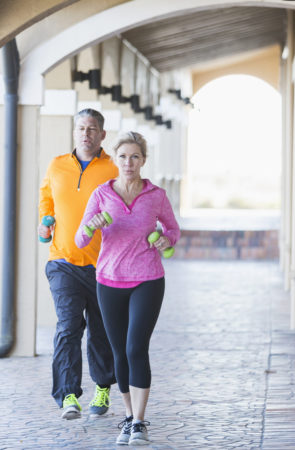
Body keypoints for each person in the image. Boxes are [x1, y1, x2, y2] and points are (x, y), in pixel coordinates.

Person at [75, 131, 180, 445]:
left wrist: (166, 239)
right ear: (115, 159)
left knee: (136, 348)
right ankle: (127, 415)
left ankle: (139, 421)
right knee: (119, 351)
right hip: (109, 280)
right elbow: (80, 239)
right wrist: (91, 226)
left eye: (135, 156)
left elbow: (172, 228)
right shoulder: (101, 194)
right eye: (123, 156)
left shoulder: (156, 195)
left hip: (148, 278)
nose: (129, 162)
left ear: (143, 160)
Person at [38, 109, 118, 420]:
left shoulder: (113, 168)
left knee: (101, 331)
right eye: (81, 128)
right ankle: (68, 394)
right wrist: (45, 221)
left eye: (92, 128)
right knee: (68, 327)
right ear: (75, 132)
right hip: (63, 262)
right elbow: (47, 197)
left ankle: (103, 386)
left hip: (103, 266)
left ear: (102, 135)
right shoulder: (57, 165)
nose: (86, 133)